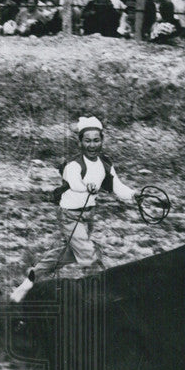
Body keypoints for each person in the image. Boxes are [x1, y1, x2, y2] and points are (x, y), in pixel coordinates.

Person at [28, 116, 140, 280]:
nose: (92, 145)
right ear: (80, 142)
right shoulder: (73, 165)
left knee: (71, 252)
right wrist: (87, 187)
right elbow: (75, 185)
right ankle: (95, 292)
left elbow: (117, 186)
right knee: (88, 255)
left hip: (89, 216)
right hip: (69, 216)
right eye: (87, 141)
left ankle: (34, 274)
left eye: (96, 140)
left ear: (102, 140)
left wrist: (133, 195)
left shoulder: (105, 163)